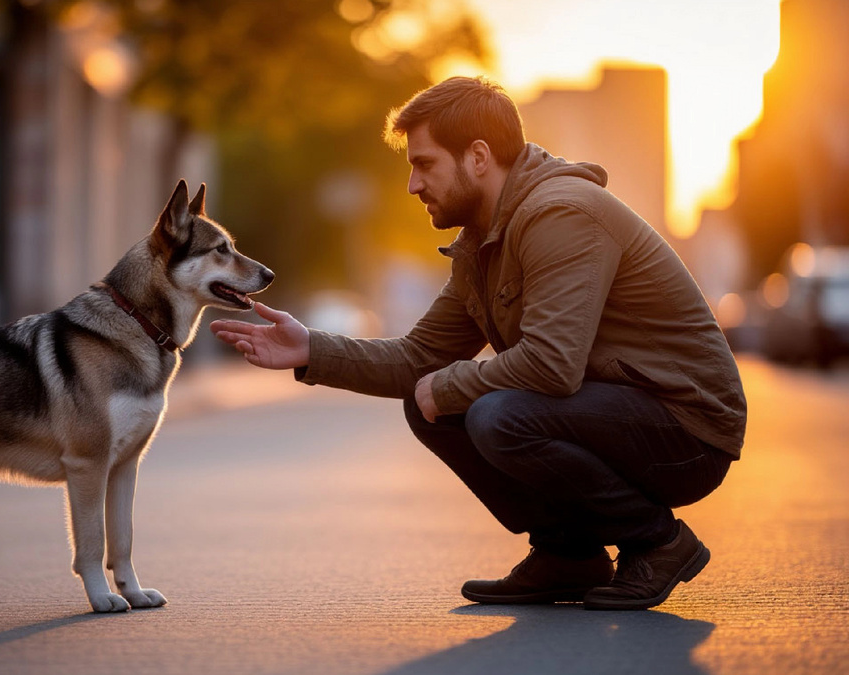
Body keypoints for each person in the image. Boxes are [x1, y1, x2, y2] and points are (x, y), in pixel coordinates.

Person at [209, 76, 746, 611]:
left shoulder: (562, 213)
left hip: (686, 429)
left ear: (479, 157)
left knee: (495, 413)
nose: (413, 186)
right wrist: (311, 350)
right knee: (433, 404)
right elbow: (419, 359)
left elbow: (552, 365)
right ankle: (569, 554)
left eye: (424, 164)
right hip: (617, 413)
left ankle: (658, 543)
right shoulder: (482, 243)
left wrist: (450, 384)